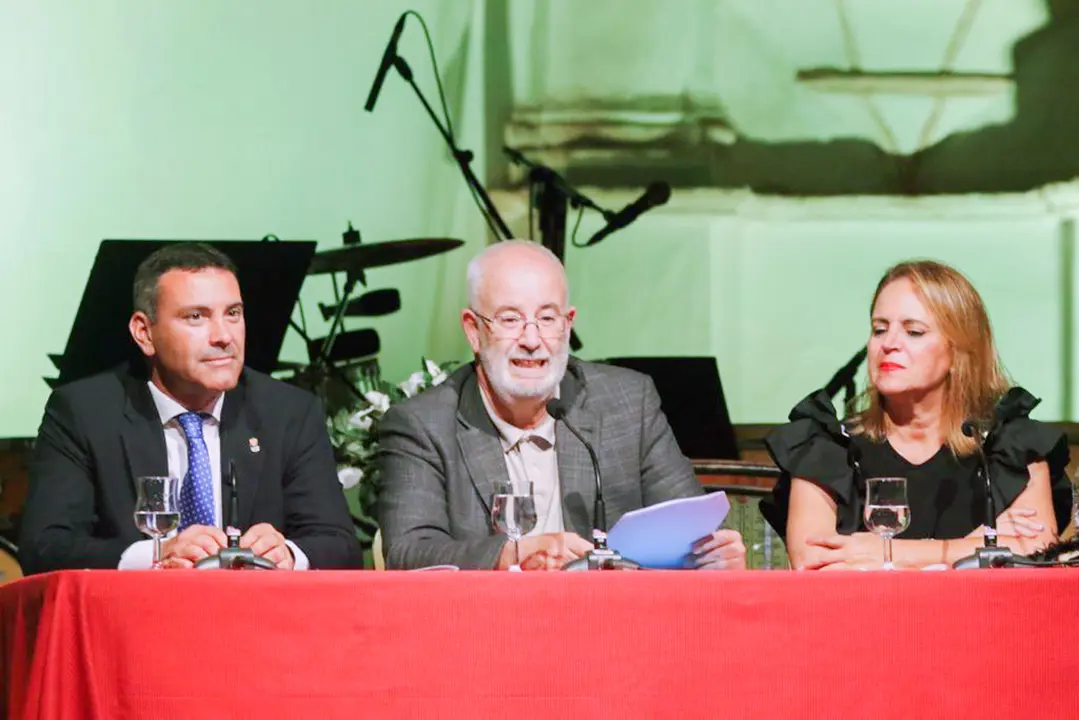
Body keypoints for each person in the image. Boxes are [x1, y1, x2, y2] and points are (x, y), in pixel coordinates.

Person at [377, 239, 746, 571]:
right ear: (474, 330)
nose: (532, 340)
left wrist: (713, 555)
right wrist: (513, 554)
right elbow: (410, 552)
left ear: (567, 326)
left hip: (612, 628)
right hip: (489, 632)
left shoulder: (628, 403)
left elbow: (686, 524)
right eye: (510, 319)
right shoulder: (423, 425)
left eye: (547, 318)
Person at [19, 243, 361, 573]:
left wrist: (287, 553)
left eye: (233, 314)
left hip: (255, 622)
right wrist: (157, 555)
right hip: (137, 621)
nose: (223, 336)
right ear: (144, 333)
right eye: (196, 317)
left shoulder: (289, 412)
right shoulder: (85, 412)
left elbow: (340, 544)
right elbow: (46, 546)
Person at [760, 260, 1071, 570]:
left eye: (914, 331)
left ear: (959, 351)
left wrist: (887, 553)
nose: (889, 344)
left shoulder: (1009, 444)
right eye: (879, 329)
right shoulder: (827, 445)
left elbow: (1033, 550)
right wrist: (975, 549)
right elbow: (813, 560)